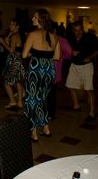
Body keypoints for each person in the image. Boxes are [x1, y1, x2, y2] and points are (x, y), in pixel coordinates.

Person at [22, 9, 60, 142]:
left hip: (36, 70)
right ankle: (46, 128)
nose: (32, 19)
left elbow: (24, 55)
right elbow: (57, 56)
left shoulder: (32, 34)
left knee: (31, 100)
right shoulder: (54, 35)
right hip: (49, 71)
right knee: (41, 99)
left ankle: (33, 132)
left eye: (35, 17)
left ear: (41, 19)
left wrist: (36, 54)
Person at [65, 21, 98, 122]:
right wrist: (72, 52)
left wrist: (90, 57)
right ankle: (76, 106)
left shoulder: (90, 37)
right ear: (73, 30)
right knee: (69, 85)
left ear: (83, 28)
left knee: (88, 89)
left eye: (80, 30)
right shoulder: (70, 38)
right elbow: (66, 50)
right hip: (74, 65)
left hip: (87, 66)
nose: (78, 32)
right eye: (76, 30)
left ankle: (92, 113)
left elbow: (97, 50)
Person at [47, 23, 73, 119]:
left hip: (54, 70)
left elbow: (69, 53)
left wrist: (62, 57)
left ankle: (50, 114)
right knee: (49, 93)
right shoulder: (46, 39)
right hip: (46, 70)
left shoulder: (61, 40)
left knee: (51, 93)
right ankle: (48, 113)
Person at [0, 19, 26, 109]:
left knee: (6, 82)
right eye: (10, 24)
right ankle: (19, 101)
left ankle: (12, 101)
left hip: (14, 60)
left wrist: (3, 43)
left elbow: (11, 51)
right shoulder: (16, 35)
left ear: (17, 26)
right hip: (18, 60)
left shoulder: (15, 36)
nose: (10, 26)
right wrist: (7, 38)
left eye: (13, 25)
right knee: (17, 81)